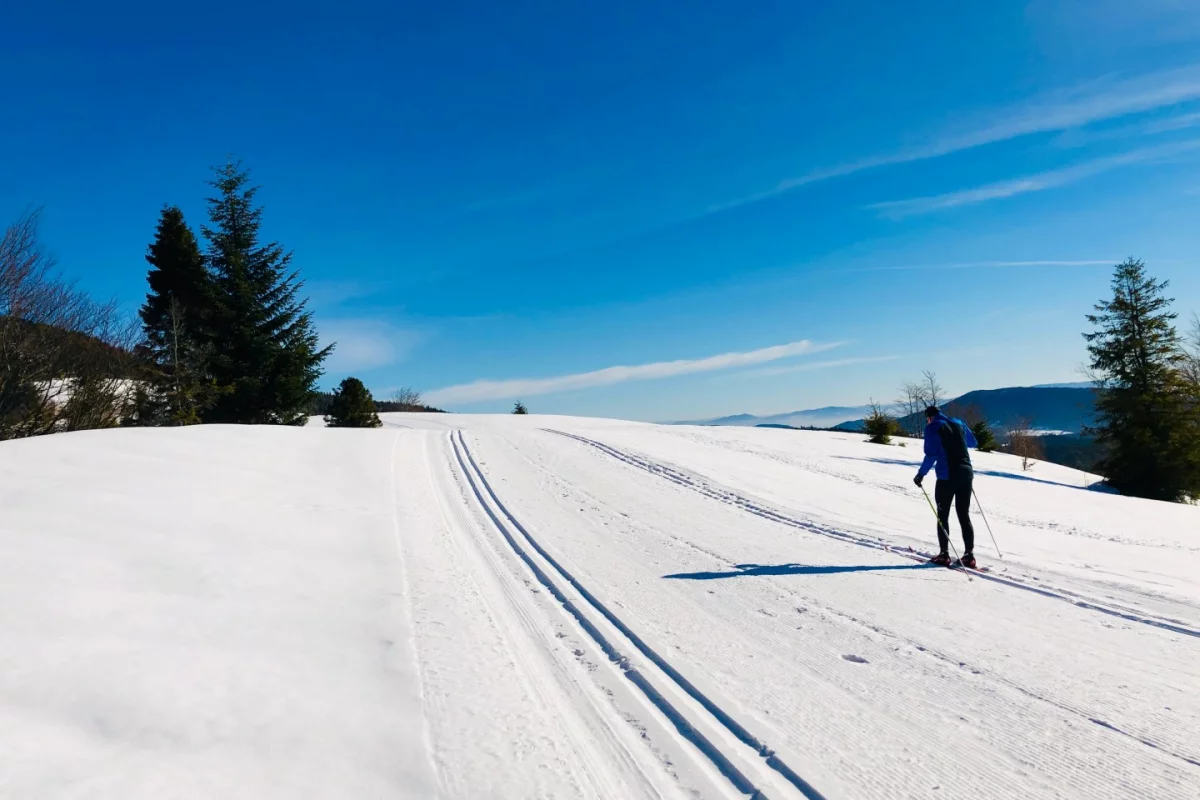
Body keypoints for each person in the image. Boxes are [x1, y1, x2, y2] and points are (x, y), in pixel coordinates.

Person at [913, 405, 978, 568]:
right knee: (964, 514)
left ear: (929, 417)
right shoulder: (958, 423)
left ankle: (944, 555)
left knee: (943, 514)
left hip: (947, 475)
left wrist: (921, 474)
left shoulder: (932, 427)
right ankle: (969, 556)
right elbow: (972, 442)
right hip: (967, 473)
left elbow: (931, 454)